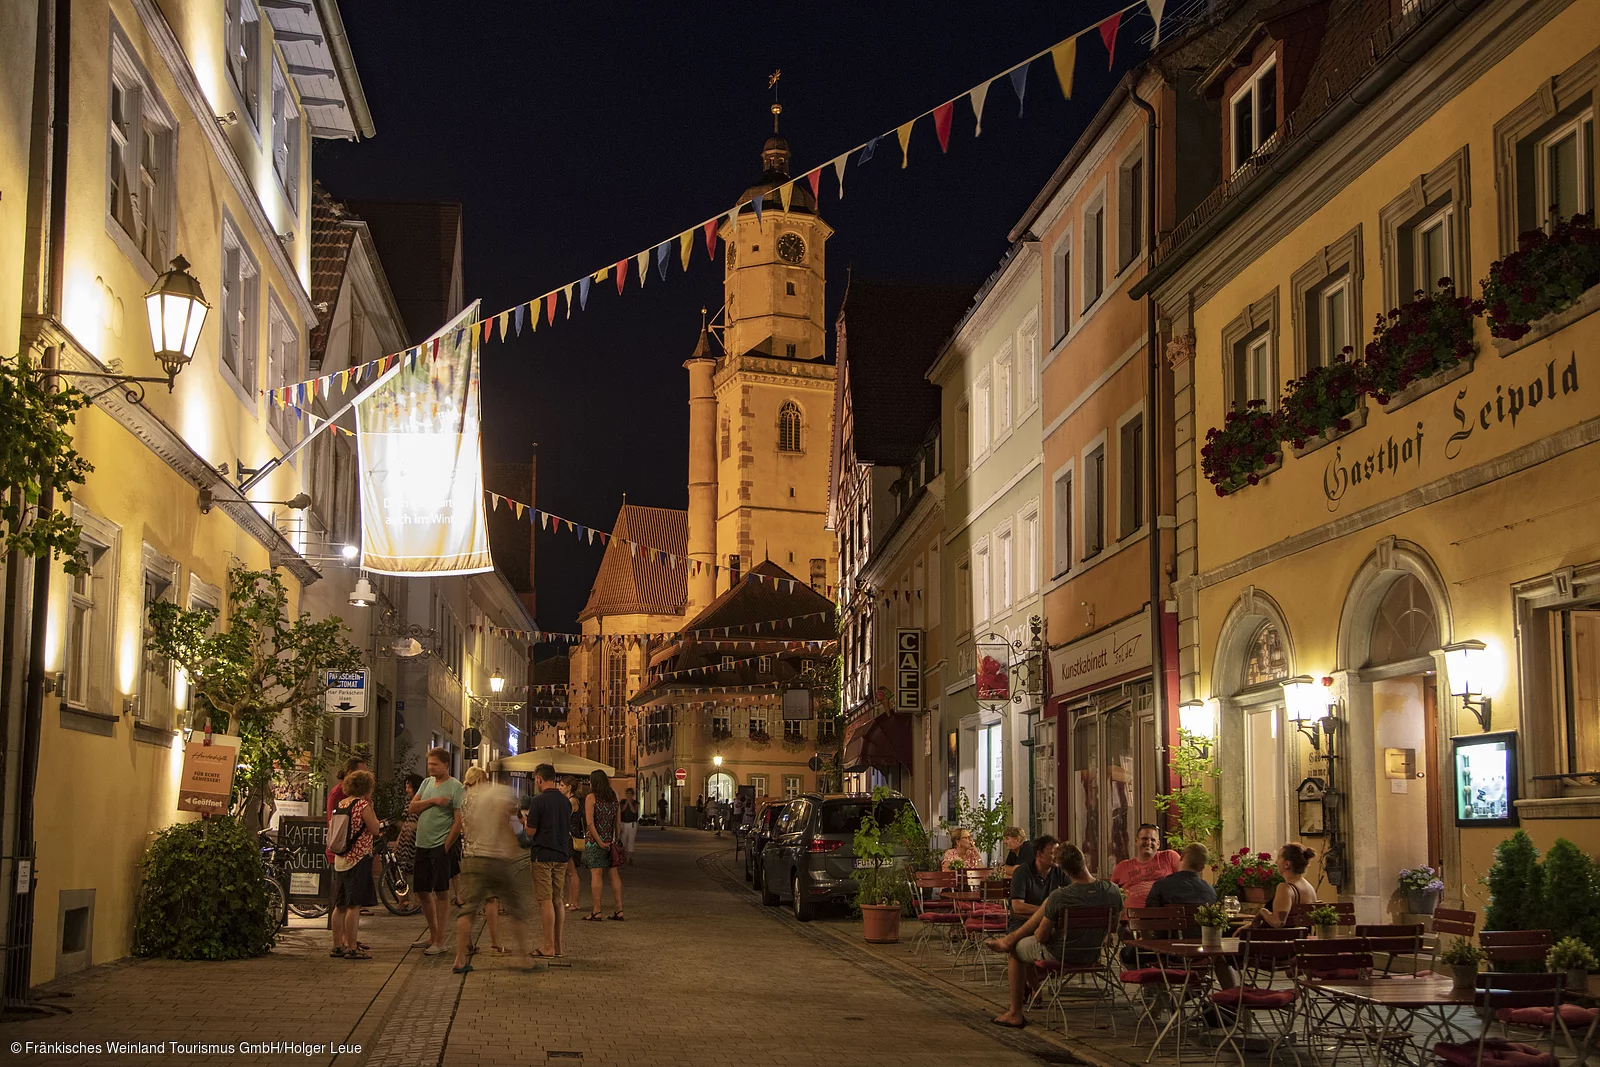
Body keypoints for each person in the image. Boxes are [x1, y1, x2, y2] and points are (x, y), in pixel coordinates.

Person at [984, 843, 1122, 1029]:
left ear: (1065, 871)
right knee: (1029, 930)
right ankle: (1013, 948)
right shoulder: (1112, 890)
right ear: (1084, 861)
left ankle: (1015, 1013)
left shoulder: (1060, 896)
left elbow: (1041, 937)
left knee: (1017, 950)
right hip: (1093, 954)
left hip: (1061, 954)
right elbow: (1112, 928)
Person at [449, 766, 533, 974]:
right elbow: (505, 823)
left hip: (471, 857)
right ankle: (524, 958)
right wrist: (513, 847)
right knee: (514, 907)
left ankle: (459, 959)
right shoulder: (498, 793)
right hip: (495, 858)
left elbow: (462, 826)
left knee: (468, 908)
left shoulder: (466, 800)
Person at [408, 748, 464, 955]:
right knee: (422, 890)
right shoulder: (426, 783)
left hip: (440, 845)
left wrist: (446, 845)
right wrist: (433, 801)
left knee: (441, 892)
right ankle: (432, 934)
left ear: (445, 765)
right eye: (429, 764)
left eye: (435, 765)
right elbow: (412, 808)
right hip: (422, 844)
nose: (431, 768)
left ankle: (440, 940)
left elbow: (458, 821)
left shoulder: (456, 787)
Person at [330, 769, 381, 959]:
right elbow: (374, 829)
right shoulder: (362, 805)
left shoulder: (341, 804)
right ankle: (352, 947)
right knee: (354, 905)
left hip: (340, 859)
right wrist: (372, 807)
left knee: (340, 904)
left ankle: (337, 945)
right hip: (358, 859)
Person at [525, 763, 571, 958]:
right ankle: (558, 947)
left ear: (539, 779)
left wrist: (524, 822)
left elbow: (531, 831)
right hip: (561, 855)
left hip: (543, 855)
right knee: (558, 900)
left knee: (545, 901)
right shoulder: (566, 801)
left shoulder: (538, 801)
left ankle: (548, 946)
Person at [582, 770, 625, 921]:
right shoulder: (614, 798)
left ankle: (597, 910)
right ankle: (619, 910)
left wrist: (599, 841)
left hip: (595, 842)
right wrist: (616, 839)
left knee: (596, 874)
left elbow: (589, 822)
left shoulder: (591, 798)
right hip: (611, 841)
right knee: (614, 874)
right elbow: (618, 822)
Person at [1111, 824, 1182, 909]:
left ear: (1158, 844)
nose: (1148, 843)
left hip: (1165, 916)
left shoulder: (1169, 857)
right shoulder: (1123, 866)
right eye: (1144, 838)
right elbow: (1110, 895)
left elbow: (1186, 881)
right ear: (1136, 841)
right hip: (1132, 919)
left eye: (1152, 840)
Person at [1007, 834, 1064, 932]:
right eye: (1053, 853)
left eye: (1058, 853)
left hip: (1051, 923)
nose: (1057, 857)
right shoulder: (1022, 872)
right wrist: (1049, 911)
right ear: (1039, 854)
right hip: (1022, 923)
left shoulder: (1061, 872)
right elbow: (1018, 907)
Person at [1259, 842, 1318, 928]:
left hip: (1280, 940)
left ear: (1287, 864)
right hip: (1301, 938)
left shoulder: (1285, 888)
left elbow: (1278, 922)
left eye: (1279, 858)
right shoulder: (1309, 888)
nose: (1276, 862)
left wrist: (1262, 912)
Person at [1145, 843, 1218, 910]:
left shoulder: (1160, 887)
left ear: (1181, 857)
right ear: (1201, 868)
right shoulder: (1210, 892)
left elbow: (1148, 918)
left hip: (1169, 924)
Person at [325, 756, 368, 867]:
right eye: (361, 774)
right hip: (342, 853)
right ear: (350, 773)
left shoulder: (358, 795)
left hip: (354, 854)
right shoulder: (338, 793)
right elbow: (333, 822)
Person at [394, 773, 424, 880]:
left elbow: (424, 823)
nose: (407, 790)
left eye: (409, 787)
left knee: (418, 873)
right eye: (406, 787)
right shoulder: (408, 801)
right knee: (400, 872)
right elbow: (406, 820)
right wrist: (398, 841)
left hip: (416, 840)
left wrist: (412, 826)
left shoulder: (422, 802)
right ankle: (402, 895)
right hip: (405, 841)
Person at [565, 780, 587, 911]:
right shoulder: (572, 800)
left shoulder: (572, 801)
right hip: (569, 837)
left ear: (569, 787)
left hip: (571, 838)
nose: (559, 787)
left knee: (572, 871)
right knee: (569, 872)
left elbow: (565, 818)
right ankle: (571, 900)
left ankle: (575, 902)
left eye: (562, 785)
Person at [618, 788, 639, 864]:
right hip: (624, 823)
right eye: (627, 794)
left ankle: (630, 858)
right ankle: (623, 857)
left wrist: (630, 803)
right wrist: (627, 802)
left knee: (631, 840)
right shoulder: (623, 802)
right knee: (623, 840)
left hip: (632, 824)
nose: (628, 795)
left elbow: (634, 811)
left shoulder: (635, 803)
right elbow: (621, 810)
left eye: (630, 794)